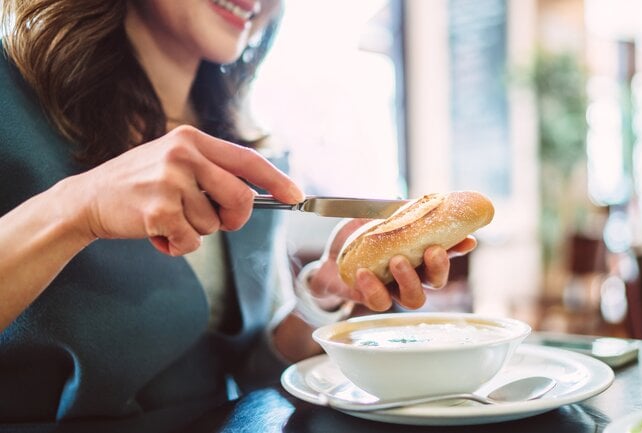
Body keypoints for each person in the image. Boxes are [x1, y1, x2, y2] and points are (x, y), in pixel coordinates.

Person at [0, 0, 476, 431]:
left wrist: (325, 292)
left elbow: (254, 373)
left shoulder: (250, 154)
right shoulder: (10, 97)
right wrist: (80, 208)